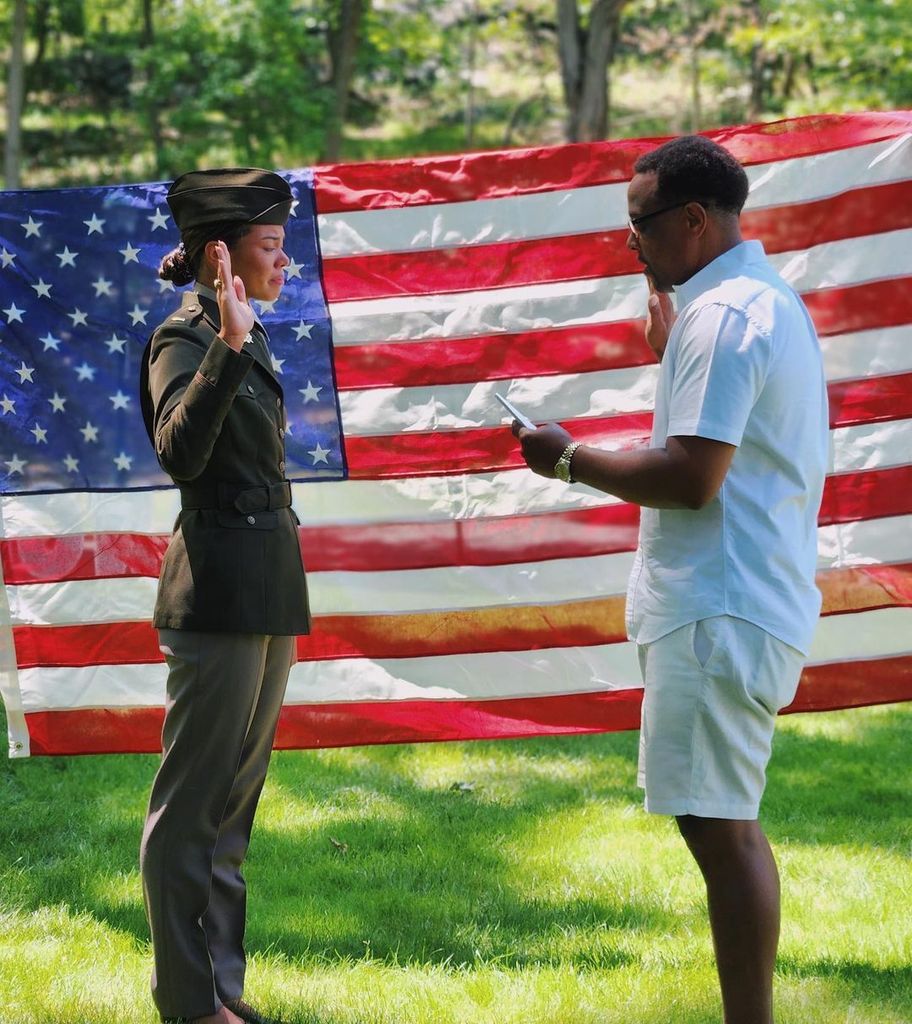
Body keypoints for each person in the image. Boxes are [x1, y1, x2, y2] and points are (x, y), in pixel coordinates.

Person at [512, 135, 829, 1024]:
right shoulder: (757, 304)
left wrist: (567, 459)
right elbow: (732, 442)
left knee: (720, 828)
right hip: (739, 597)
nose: (630, 242)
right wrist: (671, 353)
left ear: (694, 219)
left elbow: (692, 478)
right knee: (718, 821)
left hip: (719, 605)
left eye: (641, 222)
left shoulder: (724, 316)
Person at [138, 168, 311, 1024]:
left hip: (266, 582)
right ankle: (187, 1003)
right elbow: (180, 453)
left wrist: (239, 339)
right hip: (216, 594)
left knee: (232, 810)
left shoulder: (239, 329)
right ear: (221, 252)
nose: (287, 262)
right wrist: (226, 347)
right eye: (272, 246)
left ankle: (219, 999)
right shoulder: (186, 337)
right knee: (191, 810)